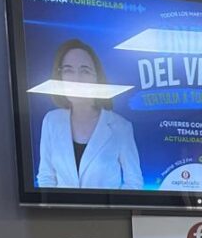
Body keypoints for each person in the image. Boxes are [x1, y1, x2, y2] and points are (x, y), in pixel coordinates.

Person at [35, 38, 144, 189]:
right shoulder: (51, 121)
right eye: (68, 70)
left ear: (97, 78)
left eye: (85, 71)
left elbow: (134, 183)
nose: (76, 79)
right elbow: (46, 177)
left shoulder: (121, 127)